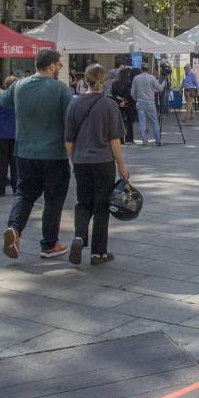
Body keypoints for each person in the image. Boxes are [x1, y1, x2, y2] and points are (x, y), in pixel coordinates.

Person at [1, 49, 74, 260]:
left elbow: (3, 102)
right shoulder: (60, 89)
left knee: (24, 194)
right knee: (53, 199)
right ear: (51, 65)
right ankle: (49, 243)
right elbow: (69, 120)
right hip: (54, 154)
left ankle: (14, 229)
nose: (60, 68)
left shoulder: (18, 85)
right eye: (59, 64)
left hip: (24, 152)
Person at [64, 63, 129, 266]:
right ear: (104, 81)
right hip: (103, 161)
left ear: (85, 79)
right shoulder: (109, 105)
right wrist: (121, 166)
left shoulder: (74, 103)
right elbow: (114, 140)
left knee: (83, 202)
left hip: (81, 161)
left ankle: (79, 237)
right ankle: (98, 253)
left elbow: (68, 140)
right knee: (102, 206)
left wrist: (73, 161)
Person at [0, 75, 18, 197]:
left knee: (2, 163)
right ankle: (16, 189)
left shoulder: (1, 99)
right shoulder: (19, 100)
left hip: (1, 136)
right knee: (15, 164)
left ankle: (1, 189)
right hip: (16, 135)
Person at [131, 63, 164, 146]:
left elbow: (132, 93)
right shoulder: (152, 78)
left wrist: (136, 99)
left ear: (141, 69)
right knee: (154, 121)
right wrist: (164, 82)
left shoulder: (136, 78)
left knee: (142, 122)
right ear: (148, 69)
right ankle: (157, 140)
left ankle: (144, 140)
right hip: (150, 102)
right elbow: (159, 88)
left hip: (140, 102)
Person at [113, 65, 136, 144]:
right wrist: (125, 101)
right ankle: (129, 139)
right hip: (129, 104)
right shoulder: (130, 83)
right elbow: (130, 93)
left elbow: (113, 94)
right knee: (129, 122)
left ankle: (120, 139)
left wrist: (120, 101)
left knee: (120, 122)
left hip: (118, 105)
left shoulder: (115, 83)